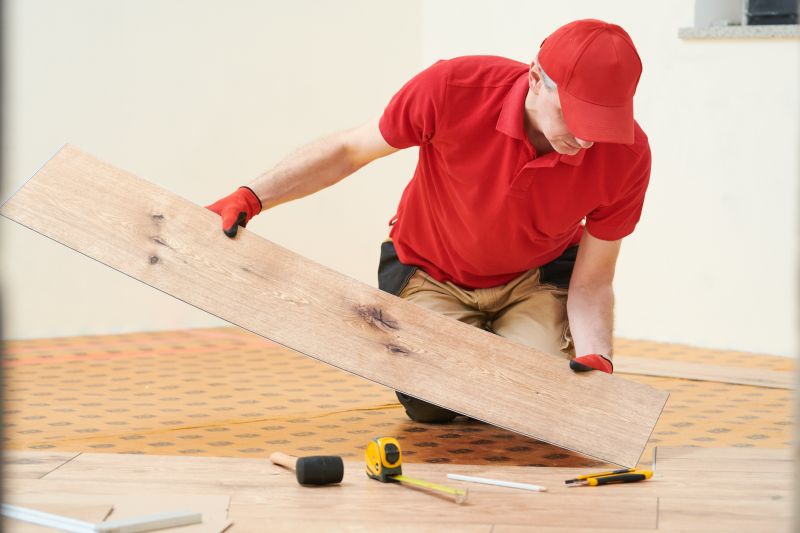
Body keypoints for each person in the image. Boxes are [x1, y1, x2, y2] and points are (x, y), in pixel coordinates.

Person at [207, 19, 651, 423]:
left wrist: (598, 358)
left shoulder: (626, 156)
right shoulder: (453, 88)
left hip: (533, 280)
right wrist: (252, 196)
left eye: (602, 125)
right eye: (576, 119)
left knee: (538, 405)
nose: (586, 140)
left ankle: (503, 358)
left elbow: (592, 281)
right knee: (432, 405)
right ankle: (477, 360)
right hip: (430, 272)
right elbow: (349, 150)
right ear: (536, 80)